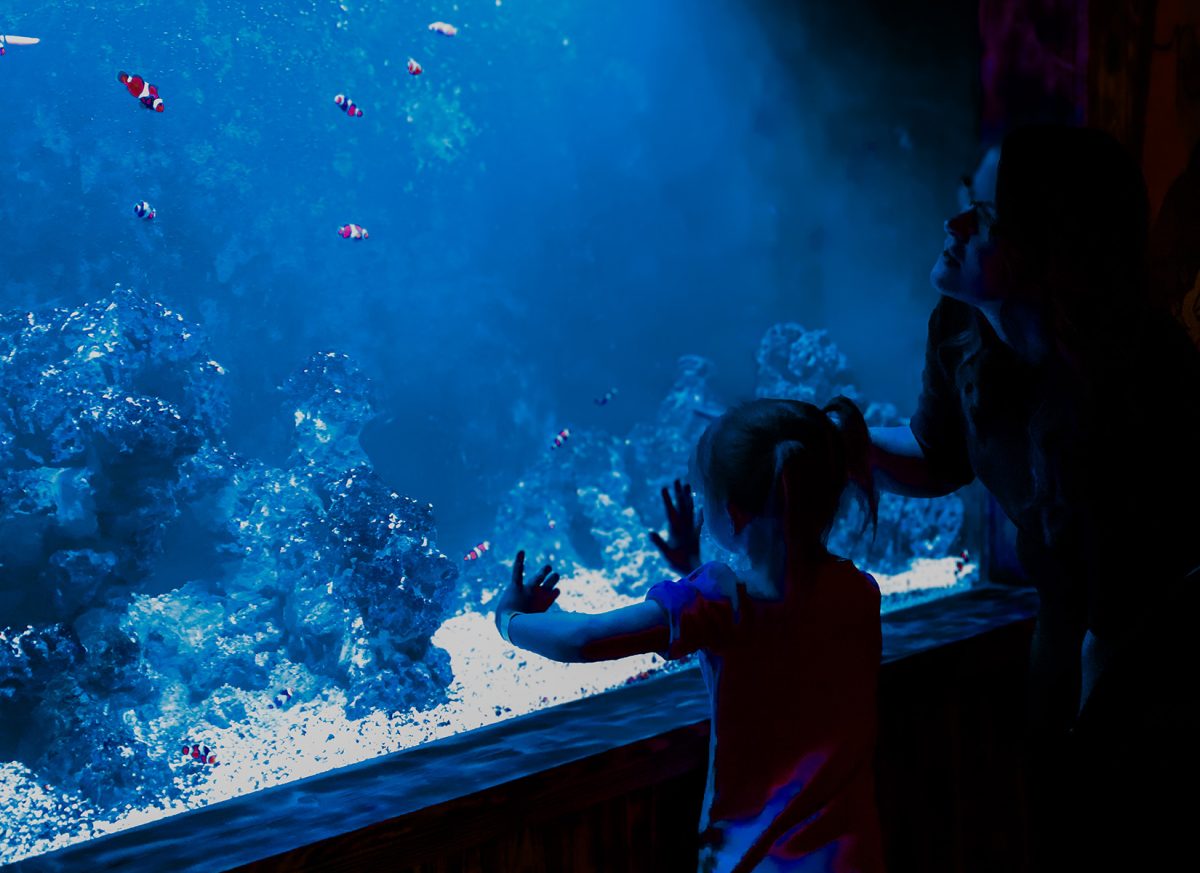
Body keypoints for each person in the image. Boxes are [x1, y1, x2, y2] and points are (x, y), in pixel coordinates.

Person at [869, 124, 1200, 870]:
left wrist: (1096, 711)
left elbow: (1138, 589)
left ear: (1052, 246)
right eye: (961, 203)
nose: (952, 226)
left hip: (1165, 648)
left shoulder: (1142, 377)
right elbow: (936, 453)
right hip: (1065, 625)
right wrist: (842, 435)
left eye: (979, 216)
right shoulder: (961, 328)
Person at [493, 397, 886, 872]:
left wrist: (510, 620)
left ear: (731, 514)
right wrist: (691, 569)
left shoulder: (718, 601)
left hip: (757, 858)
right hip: (853, 850)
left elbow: (584, 638)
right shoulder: (859, 591)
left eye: (705, 499)